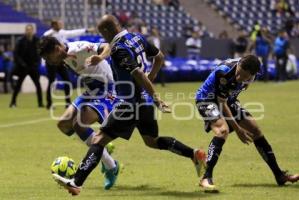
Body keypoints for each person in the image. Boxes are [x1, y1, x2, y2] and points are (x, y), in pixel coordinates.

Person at [52, 15, 206, 195]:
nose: (102, 37)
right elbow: (159, 57)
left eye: (102, 33)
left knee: (98, 140)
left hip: (128, 102)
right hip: (144, 101)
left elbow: (138, 74)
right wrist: (152, 77)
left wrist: (156, 96)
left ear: (107, 31)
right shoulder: (137, 37)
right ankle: (194, 154)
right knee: (152, 141)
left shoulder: (119, 49)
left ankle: (76, 182)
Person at [195, 55, 299, 192]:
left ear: (252, 74)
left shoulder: (252, 74)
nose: (239, 77)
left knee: (255, 130)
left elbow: (230, 97)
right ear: (239, 64)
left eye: (244, 76)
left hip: (228, 100)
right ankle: (205, 177)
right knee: (223, 131)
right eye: (239, 72)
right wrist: (237, 129)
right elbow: (221, 103)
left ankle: (279, 176)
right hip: (206, 100)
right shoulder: (225, 72)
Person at [39, 36, 120, 190]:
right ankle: (100, 146)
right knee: (63, 124)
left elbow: (107, 46)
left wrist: (100, 57)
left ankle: (111, 166)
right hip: (92, 91)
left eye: (49, 58)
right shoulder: (63, 57)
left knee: (79, 124)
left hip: (108, 91)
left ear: (57, 49)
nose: (49, 62)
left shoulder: (80, 48)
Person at [43, 20, 94, 109]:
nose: (61, 25)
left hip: (61, 61)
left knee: (67, 80)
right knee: (51, 82)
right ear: (54, 25)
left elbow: (73, 33)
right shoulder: (47, 34)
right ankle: (49, 103)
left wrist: (86, 30)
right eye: (59, 24)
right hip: (52, 62)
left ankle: (67, 102)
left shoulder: (62, 32)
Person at [9, 24, 43, 108]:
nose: (29, 31)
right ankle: (12, 103)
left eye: (30, 29)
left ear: (33, 31)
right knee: (18, 85)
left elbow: (39, 53)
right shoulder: (20, 40)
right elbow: (16, 54)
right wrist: (22, 64)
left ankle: (40, 103)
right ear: (25, 31)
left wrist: (37, 63)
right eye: (27, 30)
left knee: (38, 85)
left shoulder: (37, 40)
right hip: (23, 67)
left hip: (33, 67)